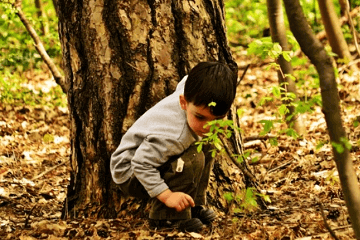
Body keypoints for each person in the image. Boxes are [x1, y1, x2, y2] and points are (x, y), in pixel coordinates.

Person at [110, 61, 237, 232]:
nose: (207, 126)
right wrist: (167, 196)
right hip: (130, 172)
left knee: (207, 144)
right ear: (183, 102)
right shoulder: (175, 136)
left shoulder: (191, 88)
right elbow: (141, 164)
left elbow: (185, 80)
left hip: (152, 157)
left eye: (217, 118)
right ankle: (166, 217)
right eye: (200, 117)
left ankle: (193, 205)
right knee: (193, 159)